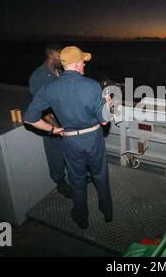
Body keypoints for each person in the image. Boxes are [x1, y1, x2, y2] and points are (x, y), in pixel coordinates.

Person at [24, 46, 113, 229]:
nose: (85, 66)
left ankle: (81, 219)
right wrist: (108, 103)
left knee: (77, 181)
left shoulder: (50, 87)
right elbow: (105, 121)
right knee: (100, 176)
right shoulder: (92, 85)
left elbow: (29, 118)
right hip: (93, 139)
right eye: (83, 62)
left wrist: (53, 130)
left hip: (70, 141)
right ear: (78, 63)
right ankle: (107, 213)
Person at [28, 44, 72, 199]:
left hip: (66, 122)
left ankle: (73, 178)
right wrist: (58, 129)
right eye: (61, 55)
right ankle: (60, 183)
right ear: (52, 54)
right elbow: (40, 108)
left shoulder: (60, 73)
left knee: (70, 153)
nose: (64, 60)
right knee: (56, 154)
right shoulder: (39, 76)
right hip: (53, 125)